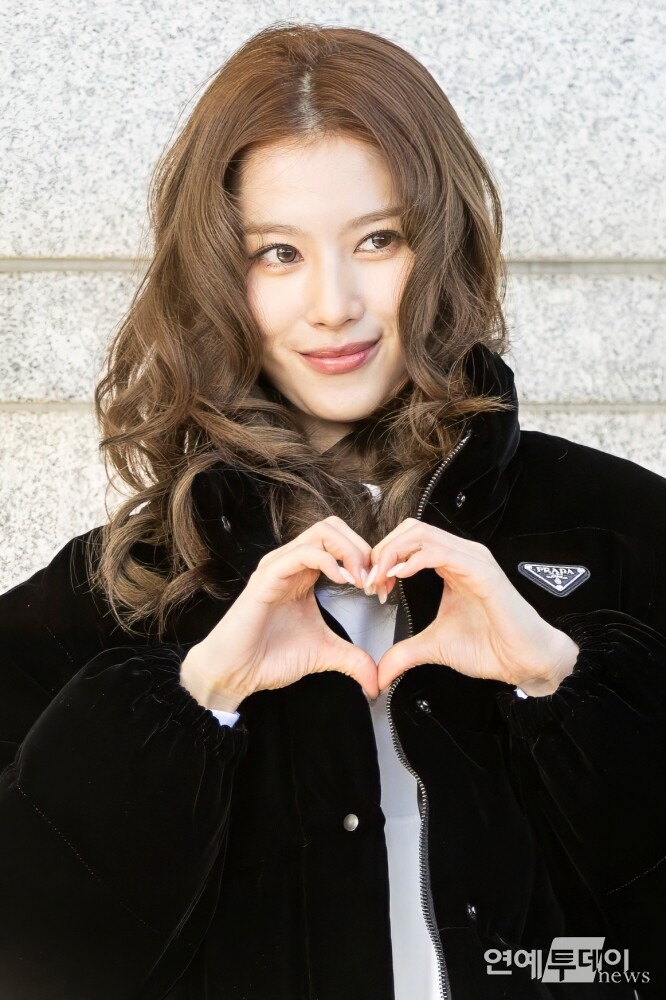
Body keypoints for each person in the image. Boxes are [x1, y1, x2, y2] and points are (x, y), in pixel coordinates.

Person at [0, 20, 664, 1000]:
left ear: (441, 242)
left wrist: (564, 690)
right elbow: (30, 960)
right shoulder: (115, 590)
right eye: (277, 252)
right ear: (214, 273)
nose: (334, 304)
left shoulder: (628, 531)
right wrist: (191, 703)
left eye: (378, 239)